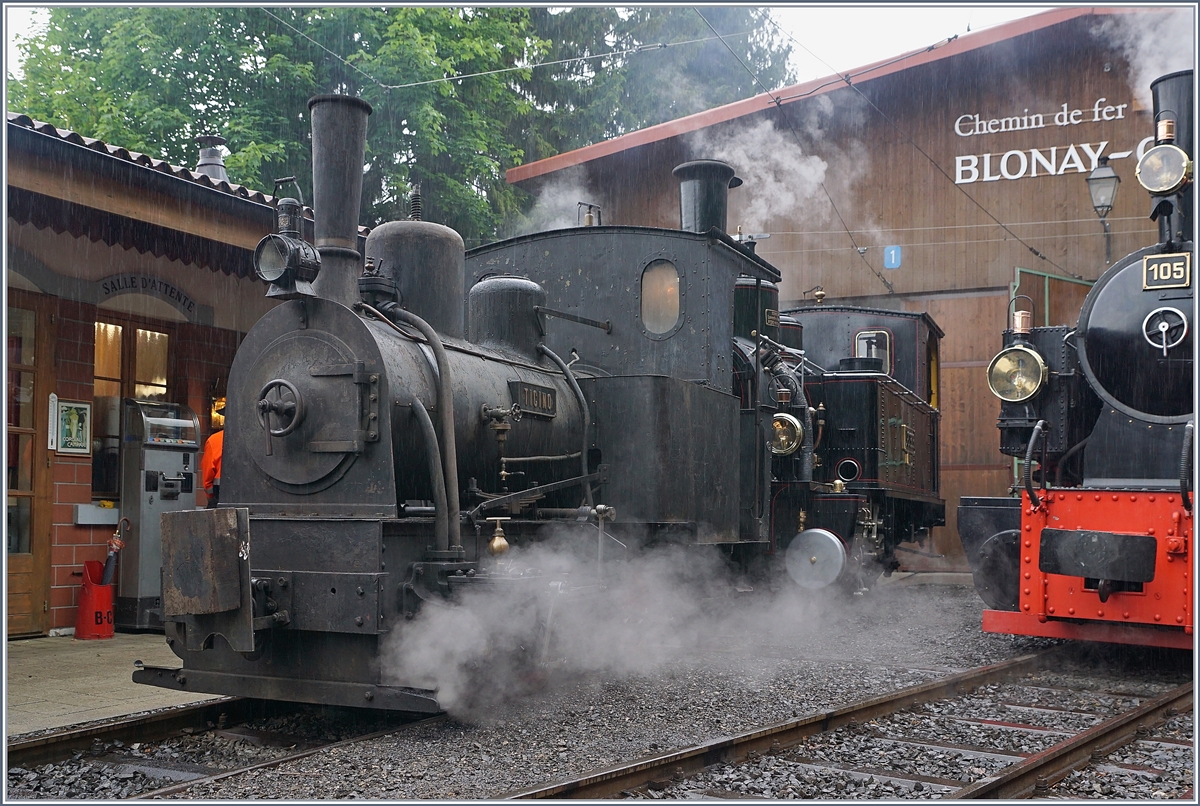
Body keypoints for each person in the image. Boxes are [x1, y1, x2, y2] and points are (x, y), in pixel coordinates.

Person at [201, 406, 224, 508]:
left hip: (221, 494)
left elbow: (207, 477)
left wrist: (211, 498)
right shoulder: (255, 441)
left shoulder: (214, 440)